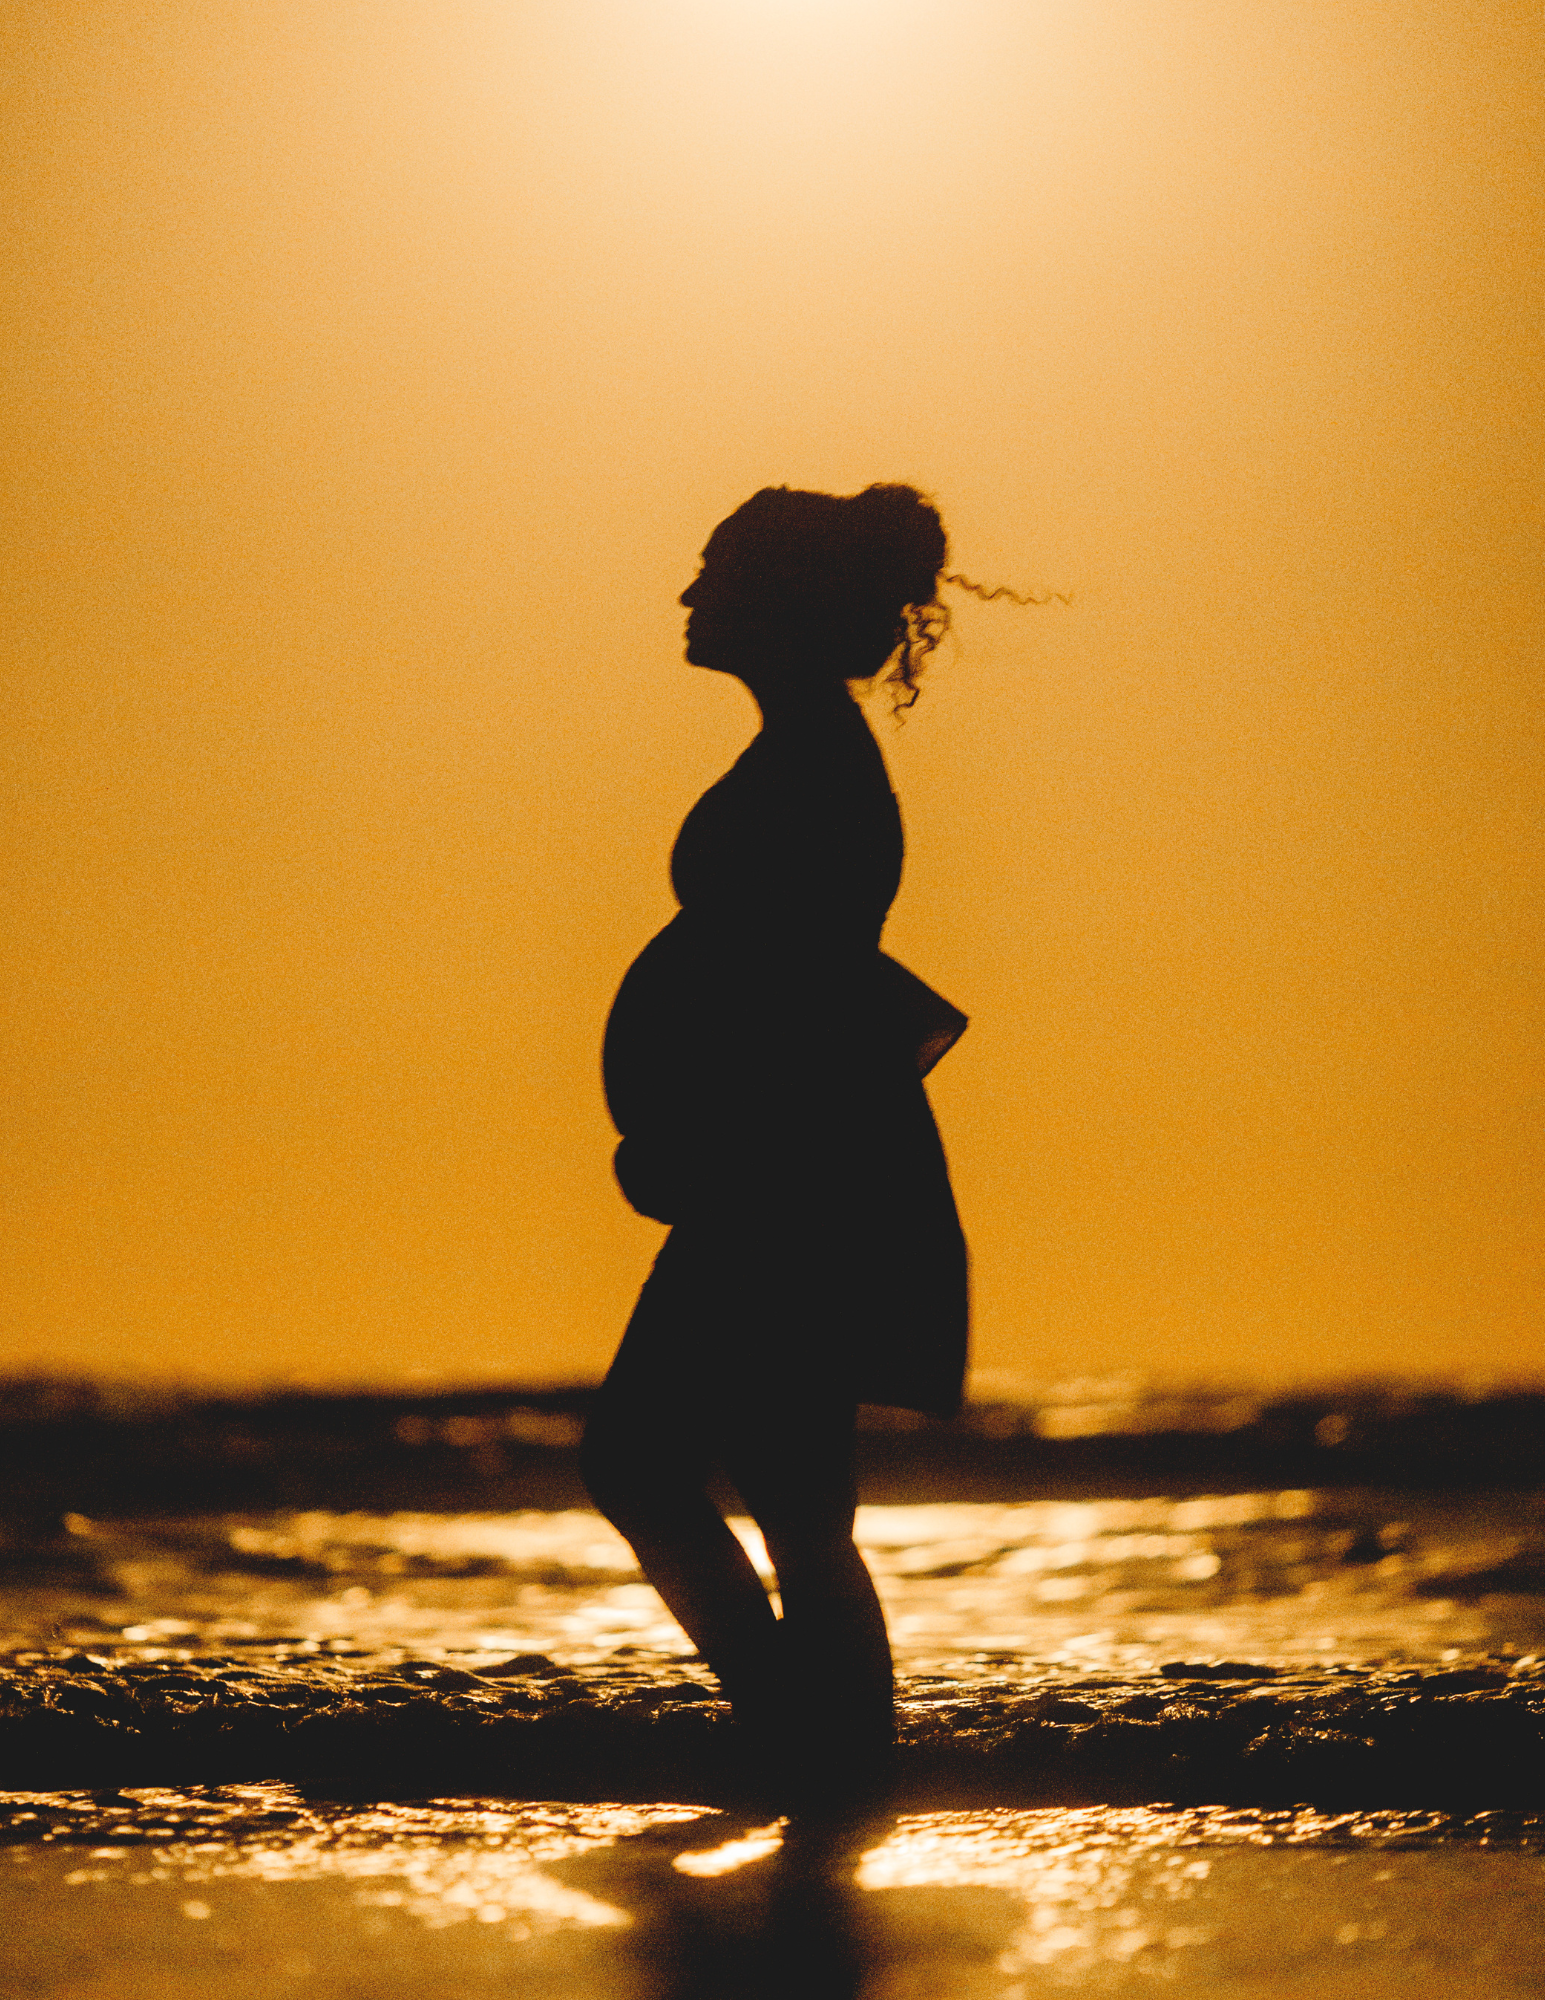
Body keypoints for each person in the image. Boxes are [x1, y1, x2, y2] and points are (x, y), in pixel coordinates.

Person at [580, 483, 969, 1803]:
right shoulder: (806, 751)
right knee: (790, 1497)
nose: (690, 598)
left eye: (714, 573)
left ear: (782, 602)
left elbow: (793, 996)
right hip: (799, 1167)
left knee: (665, 1466)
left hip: (790, 1177)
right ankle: (818, 1755)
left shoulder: (816, 767)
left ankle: (810, 1750)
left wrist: (704, 1146)